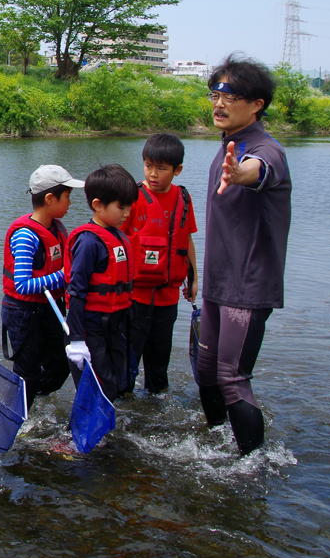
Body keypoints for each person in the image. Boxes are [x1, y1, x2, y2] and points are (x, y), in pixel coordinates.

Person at [199, 53, 291, 455]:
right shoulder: (228, 145)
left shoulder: (265, 150)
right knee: (206, 374)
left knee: (232, 377)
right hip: (218, 284)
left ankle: (252, 464)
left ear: (257, 104)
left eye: (230, 94)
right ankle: (219, 443)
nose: (219, 102)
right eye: (215, 92)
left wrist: (241, 174)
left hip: (248, 287)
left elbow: (260, 169)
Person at [1, 165, 83, 410]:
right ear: (50, 199)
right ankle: (20, 414)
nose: (70, 203)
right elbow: (23, 284)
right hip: (23, 313)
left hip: (50, 309)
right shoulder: (26, 235)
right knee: (28, 374)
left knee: (60, 367)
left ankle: (32, 402)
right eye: (67, 197)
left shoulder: (56, 228)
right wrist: (65, 276)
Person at [121, 134, 198, 395]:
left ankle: (155, 411)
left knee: (159, 363)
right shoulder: (133, 197)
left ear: (177, 170)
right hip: (134, 298)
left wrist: (194, 278)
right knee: (127, 362)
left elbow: (186, 240)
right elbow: (114, 240)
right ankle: (123, 407)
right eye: (148, 166)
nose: (153, 174)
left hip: (168, 298)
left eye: (161, 168)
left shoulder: (184, 199)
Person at [63, 164, 139, 403]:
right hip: (90, 329)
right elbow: (76, 292)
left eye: (129, 206)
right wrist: (76, 339)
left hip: (114, 325)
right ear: (98, 205)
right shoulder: (88, 242)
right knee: (97, 389)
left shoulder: (117, 236)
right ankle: (74, 437)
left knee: (118, 382)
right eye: (121, 207)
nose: (127, 213)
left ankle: (106, 434)